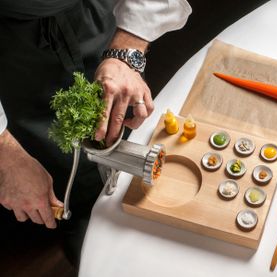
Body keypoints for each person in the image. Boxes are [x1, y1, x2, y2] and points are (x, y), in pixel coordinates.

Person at [0, 0, 191, 265]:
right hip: (15, 53)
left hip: (93, 18)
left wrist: (126, 50)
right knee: (58, 162)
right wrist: (6, 158)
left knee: (117, 114)